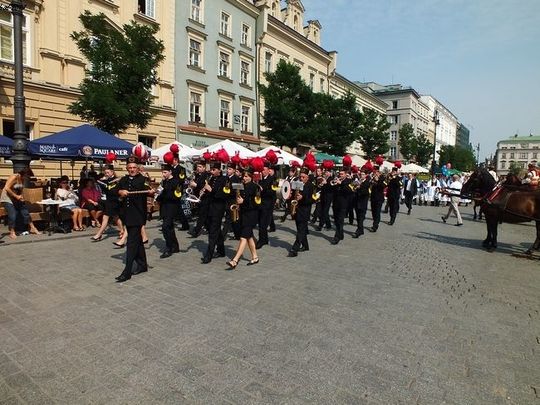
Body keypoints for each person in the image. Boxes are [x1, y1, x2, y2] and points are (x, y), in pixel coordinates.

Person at [115, 156, 154, 282]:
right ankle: (142, 265)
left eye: (134, 167)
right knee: (137, 242)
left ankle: (127, 272)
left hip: (137, 216)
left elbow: (150, 190)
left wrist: (151, 192)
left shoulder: (143, 179)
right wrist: (120, 192)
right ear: (127, 168)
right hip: (127, 215)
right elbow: (114, 191)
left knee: (131, 243)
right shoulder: (123, 179)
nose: (132, 170)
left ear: (138, 168)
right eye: (130, 168)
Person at [226, 168, 259, 269]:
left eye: (246, 176)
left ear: (251, 177)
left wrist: (243, 202)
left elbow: (256, 204)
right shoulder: (242, 186)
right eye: (243, 176)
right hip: (243, 215)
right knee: (249, 237)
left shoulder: (255, 187)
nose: (244, 178)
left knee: (243, 237)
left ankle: (235, 260)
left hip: (251, 215)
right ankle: (255, 257)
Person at [0, 168, 42, 239]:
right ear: (24, 174)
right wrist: (16, 196)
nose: (28, 178)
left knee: (25, 212)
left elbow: (21, 189)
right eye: (28, 176)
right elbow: (6, 188)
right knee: (12, 214)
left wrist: (21, 196)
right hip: (7, 198)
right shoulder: (14, 176)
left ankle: (33, 228)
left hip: (16, 198)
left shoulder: (22, 179)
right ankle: (12, 232)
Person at [201, 162, 228, 264]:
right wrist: (203, 191)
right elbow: (209, 193)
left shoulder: (224, 180)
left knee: (213, 232)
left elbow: (223, 195)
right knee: (215, 230)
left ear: (219, 170)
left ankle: (209, 254)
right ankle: (221, 251)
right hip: (210, 207)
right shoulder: (211, 178)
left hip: (218, 208)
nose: (211, 172)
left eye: (213, 170)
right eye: (211, 170)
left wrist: (211, 190)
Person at [155, 164, 180, 258]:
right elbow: (160, 192)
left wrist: (163, 193)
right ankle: (175, 246)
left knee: (165, 227)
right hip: (164, 207)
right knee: (170, 227)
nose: (163, 174)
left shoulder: (176, 182)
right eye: (162, 172)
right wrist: (157, 196)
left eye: (165, 172)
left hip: (172, 207)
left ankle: (168, 248)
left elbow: (177, 196)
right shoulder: (164, 181)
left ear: (170, 172)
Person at [92, 165, 123, 241]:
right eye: (105, 172)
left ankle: (99, 234)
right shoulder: (105, 180)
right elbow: (98, 182)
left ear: (112, 172)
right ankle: (122, 231)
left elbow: (116, 189)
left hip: (115, 201)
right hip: (109, 201)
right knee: (116, 217)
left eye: (108, 172)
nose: (106, 174)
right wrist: (102, 179)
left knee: (105, 217)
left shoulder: (117, 180)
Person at [287, 168, 314, 257]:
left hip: (305, 211)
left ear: (307, 177)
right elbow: (293, 195)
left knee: (301, 231)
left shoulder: (310, 186)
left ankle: (294, 249)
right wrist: (290, 195)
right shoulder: (297, 183)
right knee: (300, 229)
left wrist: (303, 198)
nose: (301, 179)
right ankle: (305, 246)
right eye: (300, 177)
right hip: (297, 209)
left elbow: (312, 200)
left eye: (303, 177)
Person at [330, 169, 353, 245]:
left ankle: (337, 237)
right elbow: (333, 190)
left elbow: (349, 191)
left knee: (340, 220)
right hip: (335, 203)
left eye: (342, 174)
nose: (340, 175)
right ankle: (341, 234)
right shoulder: (337, 180)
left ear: (346, 174)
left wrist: (341, 183)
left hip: (343, 203)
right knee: (336, 220)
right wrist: (334, 184)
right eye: (340, 174)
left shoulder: (349, 181)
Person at [188, 160, 209, 237]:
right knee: (204, 215)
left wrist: (196, 185)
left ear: (204, 167)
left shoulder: (206, 175)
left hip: (205, 197)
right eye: (197, 167)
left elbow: (205, 186)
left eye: (200, 167)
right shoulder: (197, 175)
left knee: (202, 215)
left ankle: (196, 231)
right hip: (198, 197)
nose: (198, 168)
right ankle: (209, 228)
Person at [256, 162, 275, 249]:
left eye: (264, 170)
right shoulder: (260, 178)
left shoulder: (272, 179)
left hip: (267, 205)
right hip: (260, 204)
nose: (262, 171)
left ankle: (261, 241)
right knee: (261, 223)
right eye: (262, 170)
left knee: (263, 224)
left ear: (268, 170)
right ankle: (265, 239)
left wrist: (263, 189)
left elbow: (272, 192)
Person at [221, 163, 241, 240]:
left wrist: (237, 202)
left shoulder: (236, 178)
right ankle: (238, 235)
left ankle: (223, 236)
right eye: (227, 169)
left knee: (228, 219)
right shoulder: (226, 178)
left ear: (234, 170)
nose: (228, 170)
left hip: (232, 201)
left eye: (230, 169)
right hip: (226, 200)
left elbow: (238, 191)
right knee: (233, 220)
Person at [171, 155, 190, 231]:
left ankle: (185, 225)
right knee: (172, 207)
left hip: (177, 190)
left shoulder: (181, 169)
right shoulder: (171, 168)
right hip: (171, 189)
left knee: (178, 208)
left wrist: (175, 186)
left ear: (176, 160)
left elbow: (181, 180)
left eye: (173, 160)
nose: (172, 161)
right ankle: (168, 223)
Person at [352, 170, 370, 238]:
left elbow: (366, 192)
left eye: (363, 174)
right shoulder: (358, 181)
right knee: (358, 217)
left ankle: (358, 231)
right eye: (361, 174)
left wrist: (359, 187)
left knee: (361, 217)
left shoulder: (367, 182)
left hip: (363, 202)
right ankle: (361, 230)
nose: (361, 176)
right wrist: (354, 184)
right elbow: (351, 186)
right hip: (356, 201)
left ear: (365, 175)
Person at [369, 165, 386, 232]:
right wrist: (372, 180)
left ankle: (375, 226)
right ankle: (375, 223)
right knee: (373, 212)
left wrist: (378, 180)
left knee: (377, 212)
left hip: (379, 198)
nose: (374, 172)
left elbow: (384, 186)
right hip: (373, 197)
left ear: (378, 171)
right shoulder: (372, 177)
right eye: (374, 171)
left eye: (375, 171)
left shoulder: (382, 177)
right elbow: (370, 184)